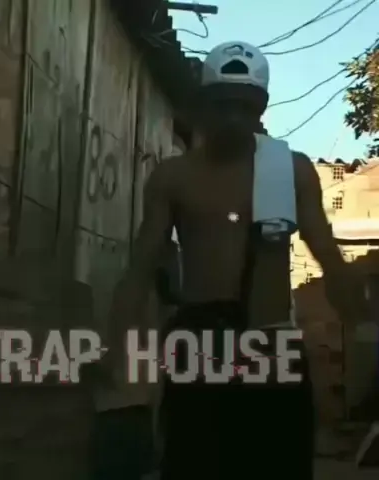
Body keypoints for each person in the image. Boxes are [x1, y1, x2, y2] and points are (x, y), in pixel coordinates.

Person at [105, 40, 366, 479]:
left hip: (271, 346)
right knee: (193, 465)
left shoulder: (291, 170)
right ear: (204, 105)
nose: (233, 118)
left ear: (261, 107)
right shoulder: (173, 177)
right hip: (200, 345)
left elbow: (328, 255)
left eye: (245, 107)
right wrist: (116, 348)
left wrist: (362, 326)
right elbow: (140, 267)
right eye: (222, 105)